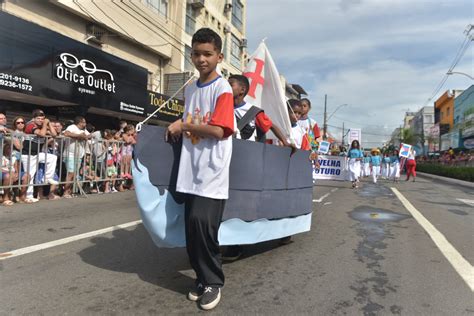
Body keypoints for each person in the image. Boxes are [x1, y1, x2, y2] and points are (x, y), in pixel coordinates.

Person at [166, 28, 234, 311]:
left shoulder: (223, 89)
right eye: (196, 53)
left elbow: (219, 131)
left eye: (207, 54)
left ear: (219, 56)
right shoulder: (191, 88)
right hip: (190, 171)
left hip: (212, 172)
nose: (201, 59)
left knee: (204, 227)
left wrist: (184, 126)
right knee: (192, 229)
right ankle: (201, 278)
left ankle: (213, 282)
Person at [228, 74, 293, 150]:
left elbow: (271, 126)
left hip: (245, 151)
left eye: (230, 85)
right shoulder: (222, 106)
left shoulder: (252, 111)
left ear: (242, 90)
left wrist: (285, 143)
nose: (226, 87)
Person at [21, 109, 58, 203]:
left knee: (52, 157)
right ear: (34, 119)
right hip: (28, 154)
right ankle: (28, 196)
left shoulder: (43, 126)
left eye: (42, 119)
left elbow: (54, 134)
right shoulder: (30, 125)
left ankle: (48, 178)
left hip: (37, 154)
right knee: (30, 175)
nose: (40, 120)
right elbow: (41, 134)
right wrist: (45, 125)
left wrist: (49, 124)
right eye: (38, 118)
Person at [62, 116, 91, 198]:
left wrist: (84, 136)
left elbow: (89, 135)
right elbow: (66, 133)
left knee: (74, 173)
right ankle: (65, 192)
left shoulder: (84, 130)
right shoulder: (72, 127)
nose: (85, 124)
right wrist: (78, 136)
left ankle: (70, 190)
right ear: (80, 122)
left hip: (79, 155)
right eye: (84, 122)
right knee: (70, 173)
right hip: (70, 154)